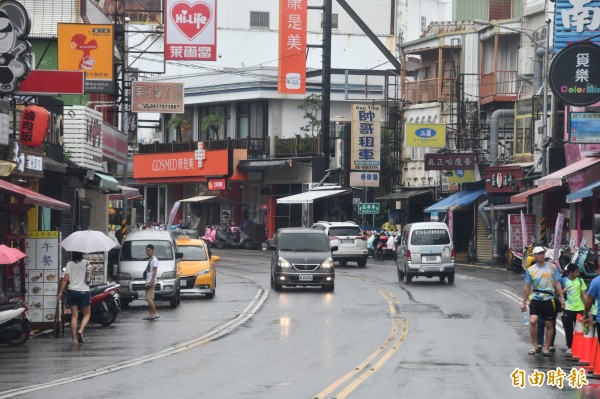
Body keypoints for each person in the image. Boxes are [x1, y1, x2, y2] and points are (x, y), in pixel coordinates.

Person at [521, 246, 565, 356]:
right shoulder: (530, 270)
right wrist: (523, 302)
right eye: (539, 254)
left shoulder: (552, 267)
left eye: (542, 253)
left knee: (549, 323)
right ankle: (535, 346)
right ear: (534, 256)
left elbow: (557, 283)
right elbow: (527, 286)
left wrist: (562, 298)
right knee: (533, 321)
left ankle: (546, 347)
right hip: (535, 298)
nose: (541, 255)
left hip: (549, 298)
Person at [58, 251, 91, 344]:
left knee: (74, 315)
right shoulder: (87, 263)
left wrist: (60, 292)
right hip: (84, 291)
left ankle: (74, 339)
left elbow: (65, 279)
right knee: (87, 314)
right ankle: (80, 330)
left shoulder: (69, 264)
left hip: (72, 291)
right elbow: (90, 278)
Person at [560, 262, 588, 356]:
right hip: (568, 308)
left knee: (581, 329)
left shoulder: (580, 281)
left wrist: (588, 306)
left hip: (580, 309)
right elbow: (557, 292)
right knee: (568, 329)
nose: (578, 274)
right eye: (576, 272)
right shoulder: (563, 281)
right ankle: (570, 347)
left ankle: (580, 347)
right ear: (570, 272)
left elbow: (584, 294)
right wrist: (562, 293)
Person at [143, 244, 159, 320]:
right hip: (148, 280)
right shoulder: (150, 259)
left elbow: (155, 271)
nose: (148, 252)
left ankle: (155, 313)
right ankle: (151, 314)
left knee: (149, 298)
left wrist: (152, 281)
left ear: (152, 251)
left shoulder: (154, 260)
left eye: (149, 250)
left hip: (151, 281)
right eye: (147, 250)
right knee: (149, 298)